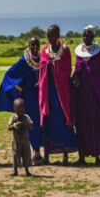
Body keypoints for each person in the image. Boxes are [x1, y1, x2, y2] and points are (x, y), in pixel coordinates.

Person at [0, 37, 43, 164]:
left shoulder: (43, 59)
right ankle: (35, 152)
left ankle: (40, 153)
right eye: (32, 45)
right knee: (32, 123)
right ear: (28, 45)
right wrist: (19, 88)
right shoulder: (24, 61)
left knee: (41, 123)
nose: (35, 47)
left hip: (41, 96)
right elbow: (9, 75)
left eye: (37, 44)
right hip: (30, 97)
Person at [39, 25, 77, 165]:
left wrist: (55, 66)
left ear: (58, 35)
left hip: (62, 92)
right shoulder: (45, 50)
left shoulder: (65, 50)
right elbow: (42, 66)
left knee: (63, 121)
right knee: (48, 123)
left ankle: (66, 155)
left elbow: (66, 69)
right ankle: (47, 155)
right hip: (49, 92)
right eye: (49, 36)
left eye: (54, 35)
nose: (51, 38)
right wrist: (48, 64)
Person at [72, 25, 100, 165]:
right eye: (84, 35)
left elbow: (98, 73)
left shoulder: (97, 53)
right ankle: (82, 155)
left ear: (93, 37)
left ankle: (97, 155)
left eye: (88, 35)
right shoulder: (78, 53)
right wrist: (75, 78)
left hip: (94, 96)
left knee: (95, 125)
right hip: (81, 96)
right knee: (81, 125)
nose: (85, 37)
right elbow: (77, 69)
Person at [8, 98, 33, 176]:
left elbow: (31, 127)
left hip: (25, 140)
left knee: (26, 155)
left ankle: (27, 170)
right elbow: (9, 127)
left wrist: (27, 124)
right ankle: (15, 170)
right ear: (14, 109)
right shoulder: (13, 117)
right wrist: (15, 125)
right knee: (16, 155)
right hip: (16, 140)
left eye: (21, 110)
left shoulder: (26, 117)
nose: (20, 112)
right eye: (18, 110)